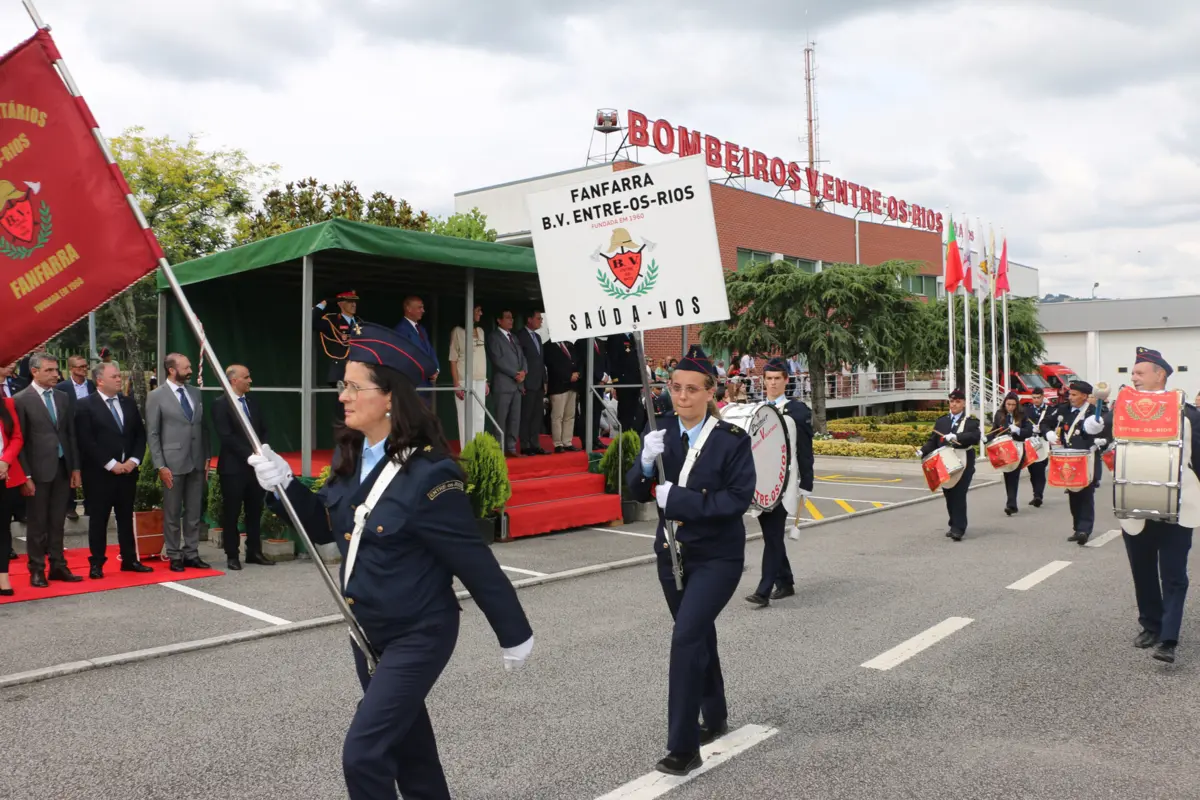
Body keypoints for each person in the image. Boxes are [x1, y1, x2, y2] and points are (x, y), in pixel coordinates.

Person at [247, 321, 534, 800]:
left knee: (363, 754)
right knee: (409, 751)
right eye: (343, 385)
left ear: (389, 397)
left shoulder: (431, 472)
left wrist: (514, 631)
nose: (343, 395)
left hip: (419, 633)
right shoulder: (352, 453)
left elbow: (472, 559)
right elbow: (323, 527)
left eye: (354, 386)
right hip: (368, 633)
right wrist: (281, 487)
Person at [625, 346, 755, 776]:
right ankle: (714, 714)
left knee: (685, 639)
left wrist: (676, 498)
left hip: (717, 556)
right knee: (697, 633)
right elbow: (633, 490)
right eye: (675, 387)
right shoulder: (660, 430)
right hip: (672, 553)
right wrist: (644, 464)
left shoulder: (731, 441)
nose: (681, 396)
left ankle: (682, 747)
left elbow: (736, 500)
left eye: (691, 389)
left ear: (709, 392)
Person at [1111, 348, 1199, 664]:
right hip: (1135, 503)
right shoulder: (1121, 410)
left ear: (1159, 374)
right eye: (1133, 374)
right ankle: (1151, 624)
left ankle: (1169, 637)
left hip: (1178, 504)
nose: (1133, 378)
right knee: (1143, 570)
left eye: (1139, 373)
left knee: (1174, 573)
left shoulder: (1188, 414)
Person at [74, 362, 154, 578]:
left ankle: (129, 559)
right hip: (100, 474)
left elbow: (139, 434)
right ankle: (97, 563)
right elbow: (87, 441)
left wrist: (134, 460)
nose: (120, 379)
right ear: (100, 380)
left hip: (128, 472)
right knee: (99, 519)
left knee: (126, 517)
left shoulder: (128, 404)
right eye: (115, 376)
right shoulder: (85, 406)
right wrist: (110, 464)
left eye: (120, 375)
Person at [746, 358, 814, 607]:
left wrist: (807, 482)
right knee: (771, 537)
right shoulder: (758, 410)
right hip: (762, 483)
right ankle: (785, 581)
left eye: (777, 379)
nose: (772, 383)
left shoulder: (798, 411)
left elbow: (806, 451)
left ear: (786, 380)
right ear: (763, 381)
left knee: (773, 537)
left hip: (785, 484)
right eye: (769, 379)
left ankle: (764, 591)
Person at [14, 353, 83, 586]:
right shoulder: (21, 399)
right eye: (50, 370)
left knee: (57, 521)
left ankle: (58, 566)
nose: (56, 374)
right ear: (34, 371)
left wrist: (75, 468)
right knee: (37, 522)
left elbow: (71, 434)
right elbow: (19, 440)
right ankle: (36, 569)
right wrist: (26, 475)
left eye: (56, 370)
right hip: (37, 471)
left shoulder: (63, 397)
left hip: (63, 468)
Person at [147, 353, 210, 571]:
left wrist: (207, 457)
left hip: (196, 460)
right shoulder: (157, 396)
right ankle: (174, 554)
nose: (190, 370)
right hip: (172, 463)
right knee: (173, 511)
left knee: (194, 511)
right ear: (172, 370)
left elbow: (203, 427)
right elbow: (153, 433)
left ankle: (191, 553)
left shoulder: (195, 393)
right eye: (186, 367)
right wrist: (160, 465)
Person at [212, 364, 274, 570]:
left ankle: (254, 551)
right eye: (246, 377)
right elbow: (226, 436)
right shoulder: (220, 404)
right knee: (231, 511)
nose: (250, 380)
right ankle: (232, 554)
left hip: (255, 468)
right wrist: (250, 455)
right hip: (233, 468)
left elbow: (264, 429)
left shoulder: (253, 402)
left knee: (254, 510)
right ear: (233, 381)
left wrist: (262, 451)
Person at [918, 389, 981, 541]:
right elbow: (934, 440)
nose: (954, 404)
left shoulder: (971, 421)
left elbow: (975, 437)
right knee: (948, 494)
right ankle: (953, 522)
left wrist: (957, 436)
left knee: (959, 494)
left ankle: (958, 528)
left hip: (964, 461)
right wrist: (922, 451)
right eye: (952, 401)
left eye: (958, 401)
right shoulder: (942, 421)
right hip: (945, 461)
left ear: (964, 403)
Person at [1047, 379, 1104, 545]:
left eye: (1074, 394)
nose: (1070, 397)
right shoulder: (1063, 409)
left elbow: (1104, 428)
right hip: (1068, 458)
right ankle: (1077, 527)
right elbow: (1045, 423)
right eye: (1070, 394)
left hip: (1087, 458)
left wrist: (1099, 436)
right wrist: (1048, 433)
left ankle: (1084, 530)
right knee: (1073, 493)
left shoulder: (1093, 412)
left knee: (1086, 494)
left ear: (1084, 396)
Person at [56, 355, 96, 522]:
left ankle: (91, 505)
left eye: (85, 366)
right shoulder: (62, 388)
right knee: (70, 469)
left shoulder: (92, 385)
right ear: (71, 369)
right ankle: (70, 507)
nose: (83, 370)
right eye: (79, 367)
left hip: (90, 434)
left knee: (90, 470)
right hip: (70, 434)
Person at [486, 309, 526, 457]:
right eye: (507, 318)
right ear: (499, 320)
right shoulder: (493, 337)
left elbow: (522, 357)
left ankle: (511, 447)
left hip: (517, 385)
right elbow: (498, 360)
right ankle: (498, 449)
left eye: (512, 317)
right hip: (503, 384)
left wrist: (523, 372)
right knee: (500, 418)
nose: (511, 320)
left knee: (515, 419)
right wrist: (515, 374)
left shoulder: (514, 337)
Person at [988, 392, 1033, 516]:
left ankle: (1011, 504)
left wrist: (1018, 430)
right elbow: (995, 429)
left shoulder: (1022, 414)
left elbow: (1029, 431)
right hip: (1004, 448)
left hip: (1018, 447)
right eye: (1008, 404)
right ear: (1005, 404)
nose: (1011, 407)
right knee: (1007, 474)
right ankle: (1011, 502)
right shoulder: (999, 414)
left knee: (1014, 475)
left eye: (1013, 405)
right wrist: (987, 438)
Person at [448, 303, 488, 446]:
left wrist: (485, 380)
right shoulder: (457, 331)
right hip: (464, 380)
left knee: (480, 416)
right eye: (478, 310)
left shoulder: (481, 331)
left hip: (480, 380)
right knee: (465, 416)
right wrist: (456, 384)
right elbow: (453, 359)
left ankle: (479, 450)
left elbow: (481, 356)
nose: (480, 313)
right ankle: (467, 451)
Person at [0, 388, 27, 595]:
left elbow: (17, 437)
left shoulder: (7, 404)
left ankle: (3, 578)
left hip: (5, 474)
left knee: (2, 528)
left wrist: (5, 461)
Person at [393, 295, 440, 405]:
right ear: (409, 309)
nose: (423, 311)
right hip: (413, 386)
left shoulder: (421, 330)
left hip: (425, 387)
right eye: (420, 307)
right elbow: (407, 357)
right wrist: (427, 370)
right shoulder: (401, 330)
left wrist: (436, 369)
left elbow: (430, 351)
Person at [313, 290, 364, 387]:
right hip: (340, 370)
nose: (354, 305)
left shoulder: (360, 322)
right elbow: (312, 322)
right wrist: (323, 304)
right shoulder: (332, 320)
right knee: (342, 400)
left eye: (355, 302)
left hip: (358, 370)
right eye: (350, 302)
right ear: (340, 304)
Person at [516, 311, 548, 455]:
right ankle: (525, 444)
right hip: (527, 382)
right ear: (529, 319)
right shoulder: (520, 336)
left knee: (537, 415)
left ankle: (535, 443)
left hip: (539, 382)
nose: (541, 321)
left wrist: (545, 380)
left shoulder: (538, 337)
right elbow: (519, 360)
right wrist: (521, 383)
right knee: (526, 415)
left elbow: (541, 362)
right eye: (538, 318)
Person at [544, 337, 580, 453]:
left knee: (570, 415)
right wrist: (568, 375)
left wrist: (576, 373)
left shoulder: (569, 344)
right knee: (557, 416)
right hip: (558, 386)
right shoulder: (548, 346)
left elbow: (576, 361)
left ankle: (567, 441)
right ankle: (558, 443)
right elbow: (553, 366)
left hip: (572, 385)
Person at [1022, 387, 1054, 507]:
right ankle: (1036, 493)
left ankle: (1038, 495)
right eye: (1034, 398)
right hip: (1030, 442)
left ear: (1042, 397)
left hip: (1043, 441)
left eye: (1038, 398)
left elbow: (1053, 424)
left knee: (1040, 470)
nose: (1036, 400)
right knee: (1032, 470)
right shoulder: (1026, 410)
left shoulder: (1049, 410)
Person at [607, 332, 643, 433]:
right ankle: (624, 436)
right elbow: (613, 359)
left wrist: (640, 380)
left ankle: (631, 434)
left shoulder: (632, 337)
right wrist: (616, 380)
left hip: (635, 381)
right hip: (623, 381)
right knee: (624, 412)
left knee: (634, 411)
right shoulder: (615, 337)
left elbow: (636, 360)